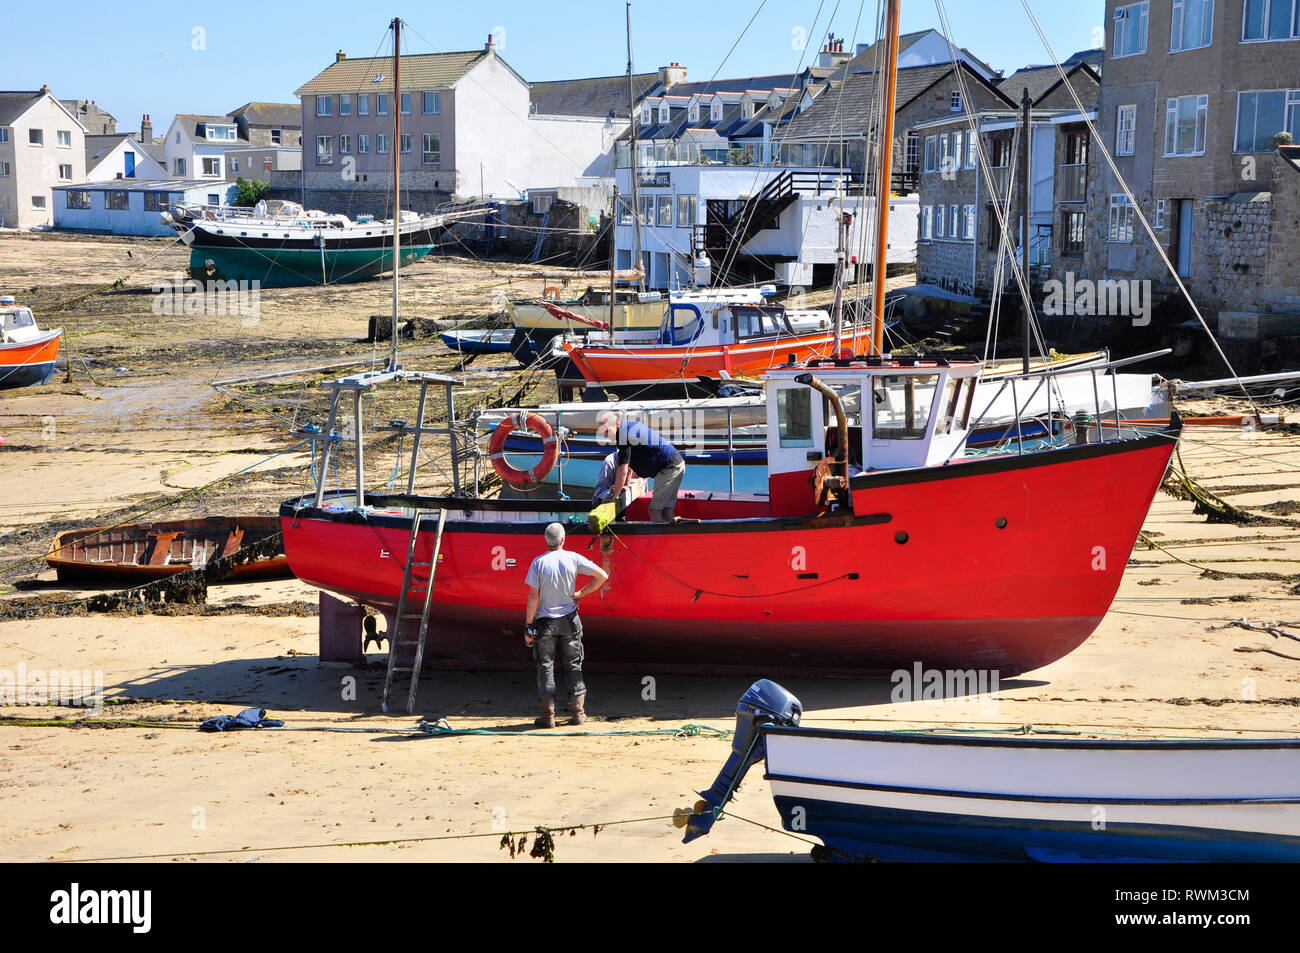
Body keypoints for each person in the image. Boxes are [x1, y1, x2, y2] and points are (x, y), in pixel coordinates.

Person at [523, 522, 609, 728]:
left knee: (545, 668)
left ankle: (548, 717)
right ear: (563, 540)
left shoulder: (538, 563)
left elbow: (533, 597)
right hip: (570, 620)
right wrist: (581, 594)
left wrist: (528, 625)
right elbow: (602, 576)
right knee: (574, 665)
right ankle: (579, 714)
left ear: (546, 540)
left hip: (545, 623)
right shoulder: (573, 558)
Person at [597, 412, 685, 522]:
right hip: (673, 464)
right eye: (602, 431)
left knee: (654, 511)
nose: (605, 435)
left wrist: (614, 497)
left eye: (606, 430)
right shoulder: (626, 428)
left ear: (617, 424)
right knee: (666, 510)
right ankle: (669, 537)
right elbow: (630, 462)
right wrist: (626, 484)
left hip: (669, 467)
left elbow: (622, 469)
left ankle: (659, 538)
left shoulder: (624, 436)